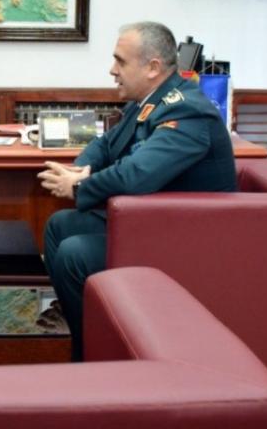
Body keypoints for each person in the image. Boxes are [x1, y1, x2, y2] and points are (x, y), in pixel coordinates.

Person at [38, 21, 237, 359]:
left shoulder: (187, 111)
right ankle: (84, 337)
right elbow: (105, 144)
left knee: (75, 253)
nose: (112, 70)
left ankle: (99, 357)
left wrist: (81, 186)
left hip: (190, 242)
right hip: (155, 224)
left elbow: (137, 174)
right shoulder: (149, 101)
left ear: (152, 67)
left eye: (120, 61)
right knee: (60, 226)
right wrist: (80, 168)